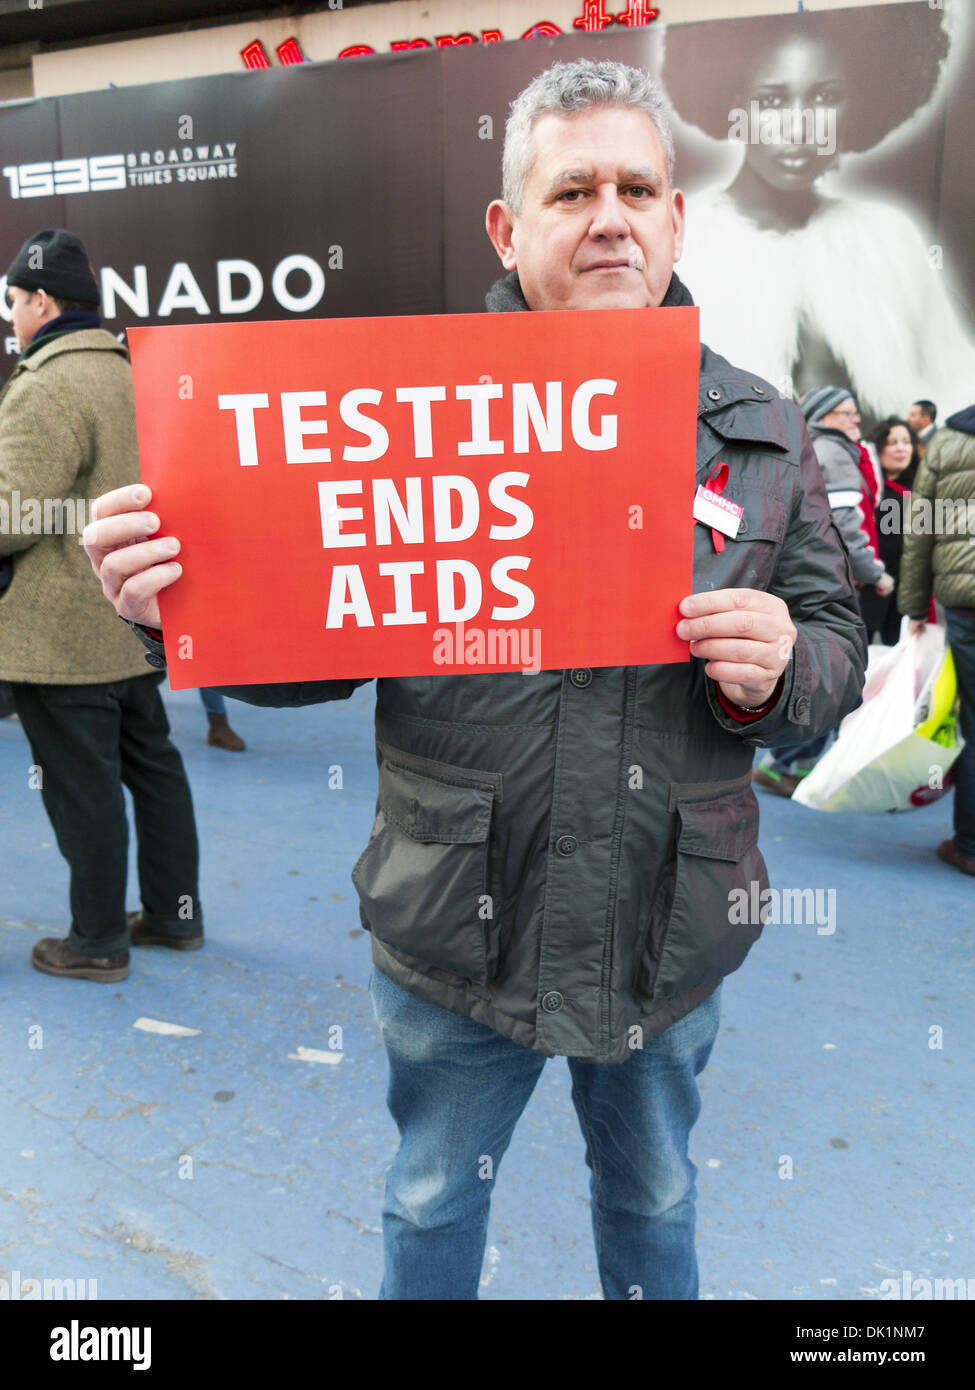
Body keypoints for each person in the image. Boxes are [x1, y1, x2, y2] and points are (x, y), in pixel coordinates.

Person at [83, 60, 867, 1299]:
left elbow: (839, 648)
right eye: (572, 190)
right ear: (510, 226)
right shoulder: (404, 412)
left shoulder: (762, 430)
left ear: (675, 216)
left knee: (656, 1197)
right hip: (460, 926)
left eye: (636, 187)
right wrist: (167, 608)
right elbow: (304, 662)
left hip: (671, 930)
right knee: (435, 1198)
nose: (609, 214)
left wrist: (785, 666)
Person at [0, 228, 204, 981]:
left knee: (81, 789)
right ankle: (175, 916)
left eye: (15, 302)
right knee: (153, 767)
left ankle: (95, 942)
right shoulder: (134, 371)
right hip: (137, 623)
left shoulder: (46, 384)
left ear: (44, 300)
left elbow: (11, 515)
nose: (12, 316)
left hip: (61, 638)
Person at [662, 7, 975, 424]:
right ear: (735, 103)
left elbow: (956, 393)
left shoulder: (890, 239)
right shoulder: (687, 245)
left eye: (826, 97)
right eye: (771, 101)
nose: (799, 129)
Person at [754, 385, 890, 797]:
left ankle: (791, 763)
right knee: (832, 676)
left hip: (819, 580)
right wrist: (876, 572)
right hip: (839, 584)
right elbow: (847, 526)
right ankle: (785, 764)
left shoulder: (813, 447)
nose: (856, 420)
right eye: (847, 412)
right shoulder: (834, 454)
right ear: (825, 415)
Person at [898, 402, 975, 878]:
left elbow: (919, 532)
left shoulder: (947, 441)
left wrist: (913, 606)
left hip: (966, 604)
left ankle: (969, 845)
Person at [860, 417, 920, 645]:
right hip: (868, 586)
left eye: (906, 441)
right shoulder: (866, 486)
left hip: (906, 592)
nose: (901, 448)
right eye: (892, 442)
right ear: (879, 446)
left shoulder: (921, 487)